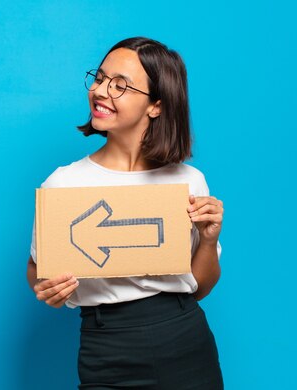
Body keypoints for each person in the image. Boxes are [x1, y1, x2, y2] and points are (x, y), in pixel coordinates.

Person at [26, 37, 225, 389]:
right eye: (100, 79)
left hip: (182, 337)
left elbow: (199, 287)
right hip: (105, 345)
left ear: (156, 106)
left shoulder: (188, 181)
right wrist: (45, 288)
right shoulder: (64, 183)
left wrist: (209, 240)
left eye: (120, 86)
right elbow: (37, 270)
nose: (100, 91)